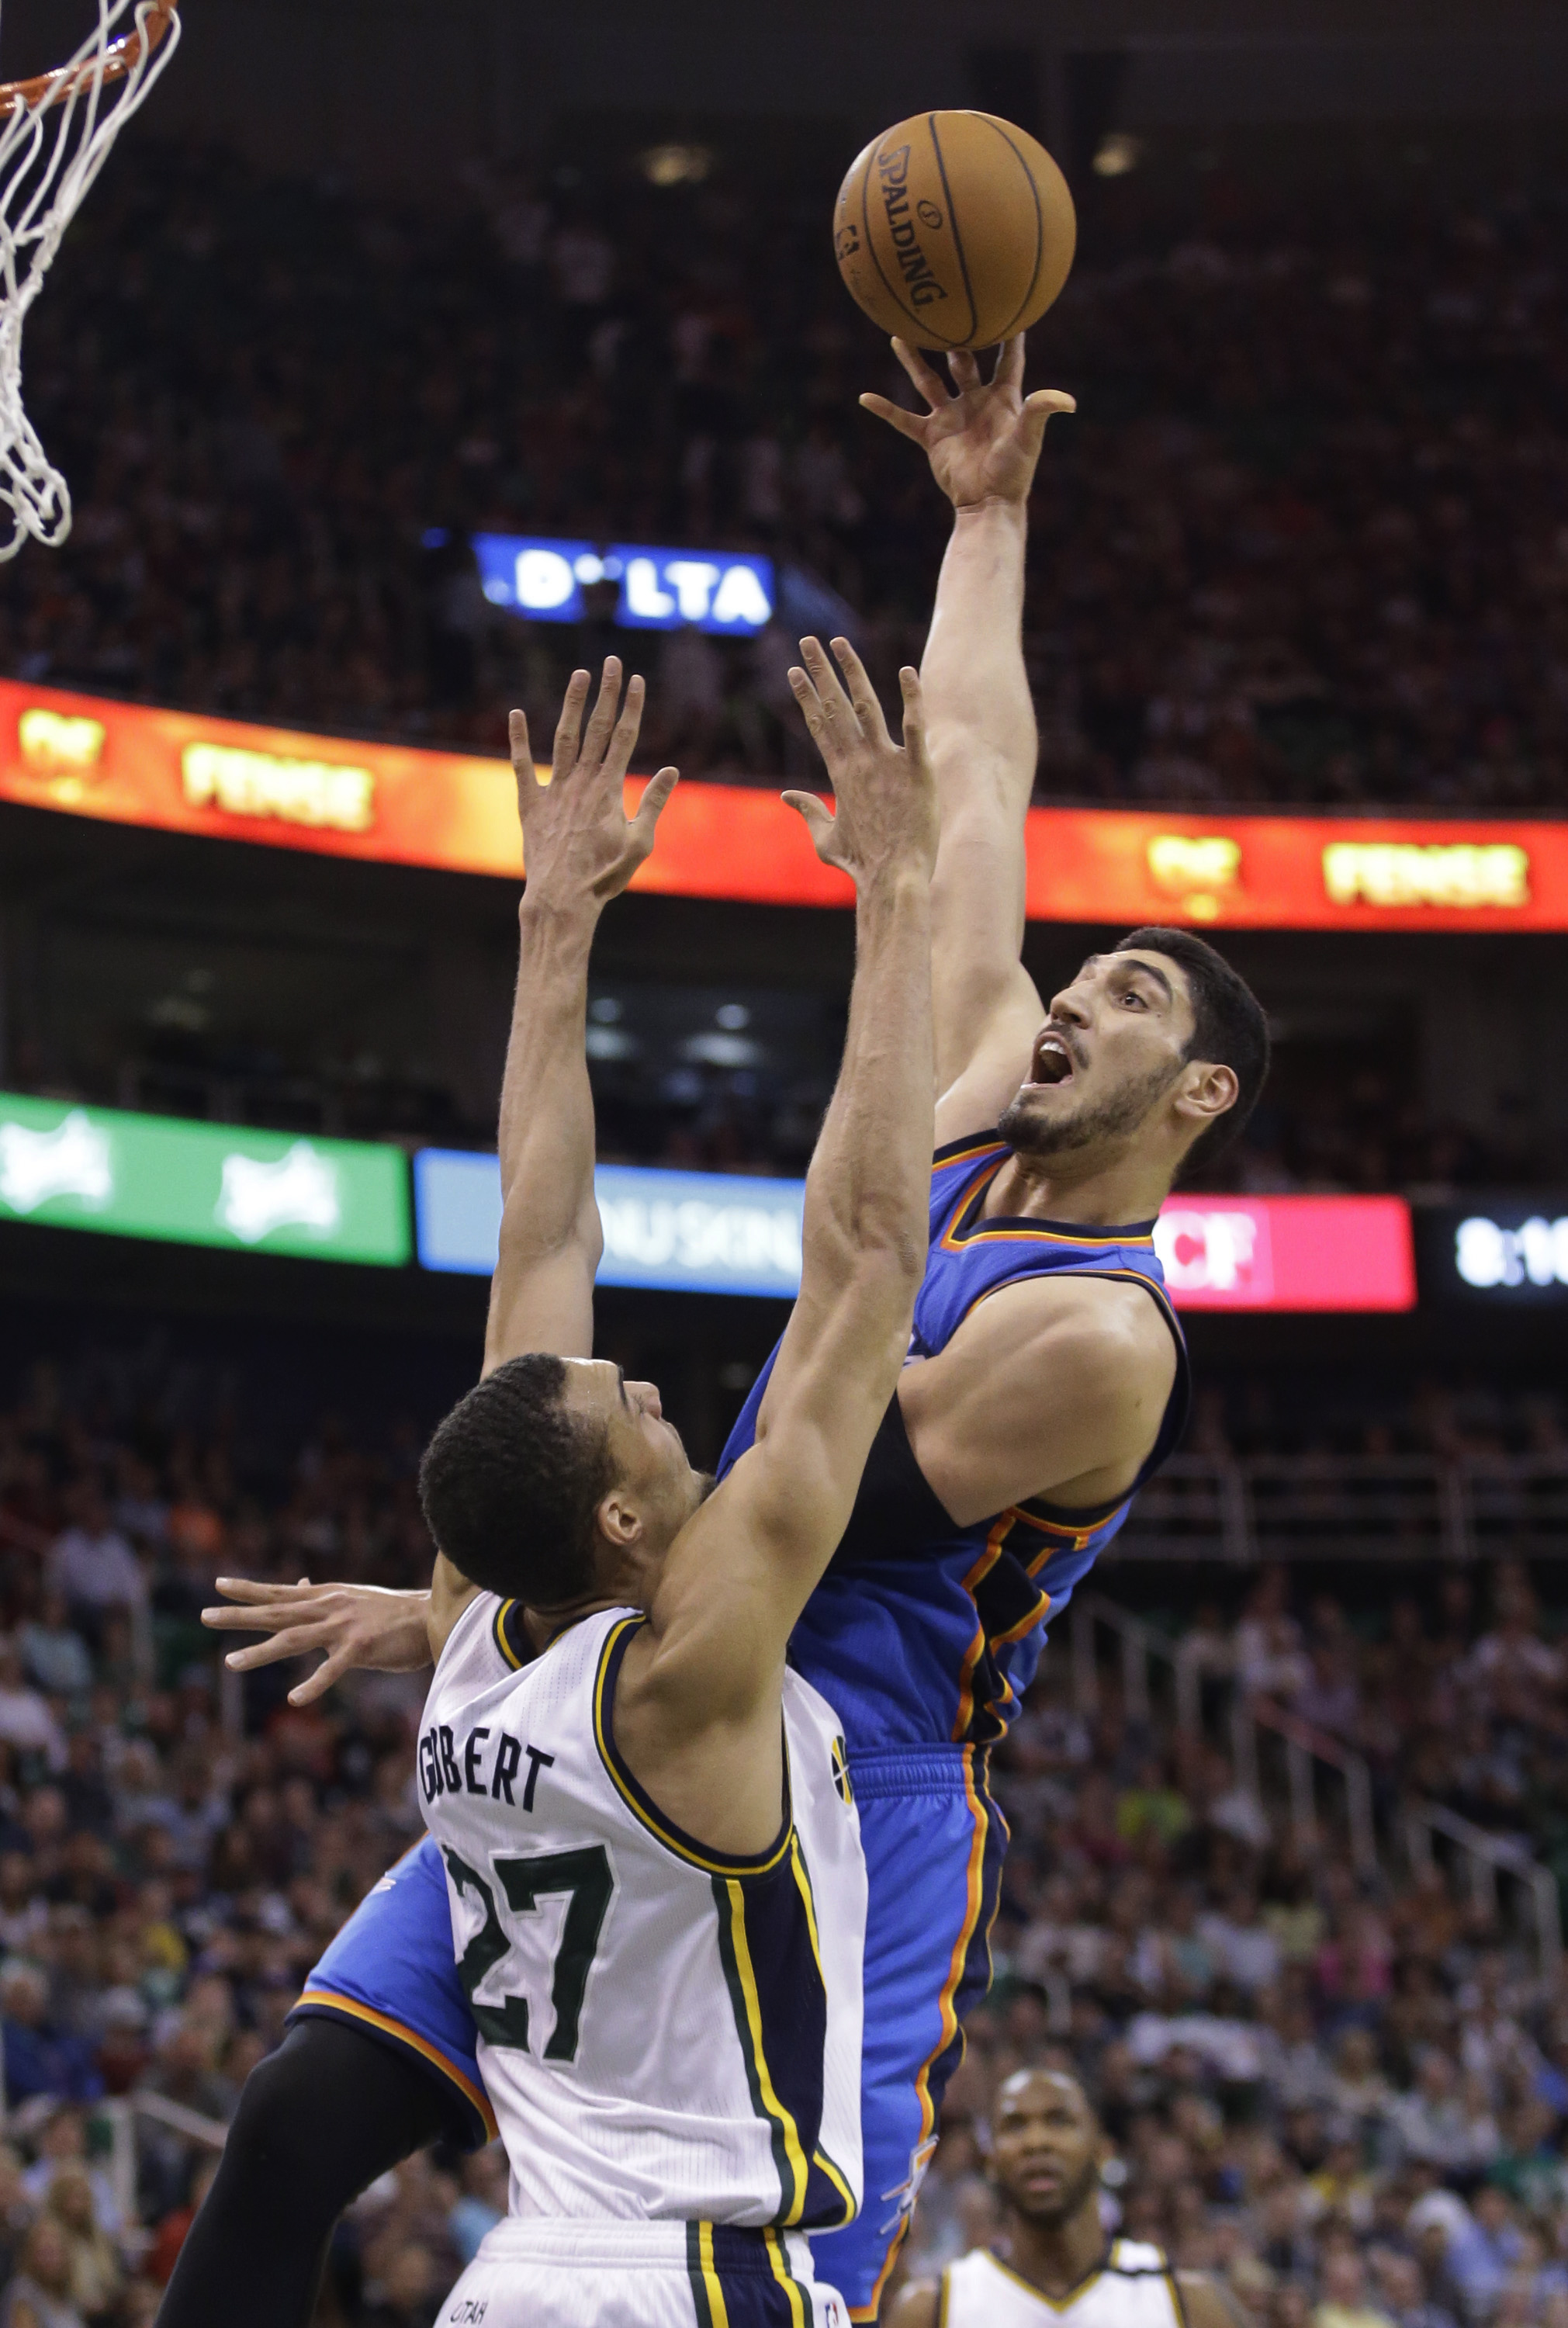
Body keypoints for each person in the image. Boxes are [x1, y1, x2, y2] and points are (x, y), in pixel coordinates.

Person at [189, 336, 1269, 2323]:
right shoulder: (978, 1085)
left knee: (795, 2278)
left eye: (1127, 997)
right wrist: (984, 514)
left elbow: (808, 1506)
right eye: (1083, 972)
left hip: (847, 1755)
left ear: (1195, 1098)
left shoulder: (1099, 1338)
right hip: (655, 1650)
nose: (1067, 997)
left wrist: (474, 1593)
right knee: (291, 2120)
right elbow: (976, 777)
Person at [414, 631, 936, 2326]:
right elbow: (870, 1257)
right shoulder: (686, 1666)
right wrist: (898, 891)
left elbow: (542, 1236)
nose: (644, 1383)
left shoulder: (471, 1639)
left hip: (522, 2272)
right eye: (626, 1404)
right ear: (624, 1523)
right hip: (691, 2276)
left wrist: (555, 922)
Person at [888, 2066, 1238, 2328]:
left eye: (1059, 2121)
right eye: (1015, 2125)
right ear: (991, 2161)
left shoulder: (1185, 2303)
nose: (1036, 2142)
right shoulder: (934, 2309)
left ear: (1102, 2150)